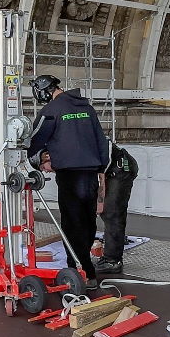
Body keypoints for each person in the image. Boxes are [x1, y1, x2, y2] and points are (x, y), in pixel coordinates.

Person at [27, 74, 109, 288]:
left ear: (43, 91)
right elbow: (102, 141)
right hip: (91, 173)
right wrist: (100, 170)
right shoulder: (87, 108)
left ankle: (79, 271)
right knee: (88, 222)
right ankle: (86, 270)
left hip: (69, 175)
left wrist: (39, 160)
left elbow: (34, 141)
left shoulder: (51, 111)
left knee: (71, 224)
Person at [95, 142, 139, 274]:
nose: (46, 171)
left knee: (112, 213)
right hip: (110, 168)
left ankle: (113, 261)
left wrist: (99, 203)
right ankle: (110, 255)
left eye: (44, 167)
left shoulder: (80, 150)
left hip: (120, 168)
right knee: (106, 211)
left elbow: (99, 177)